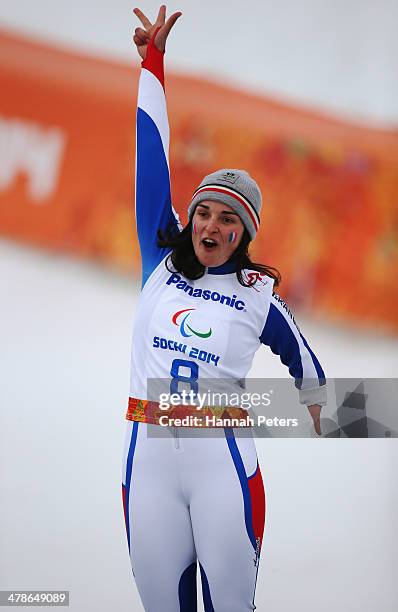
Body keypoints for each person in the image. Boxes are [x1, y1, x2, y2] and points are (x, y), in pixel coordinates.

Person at [122, 6, 326, 611]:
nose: (212, 224)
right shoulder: (158, 257)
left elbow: (307, 366)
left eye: (229, 218)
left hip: (225, 475)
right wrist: (152, 62)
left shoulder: (257, 295)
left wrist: (322, 406)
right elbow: (151, 156)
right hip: (149, 471)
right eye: (205, 211)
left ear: (245, 233)